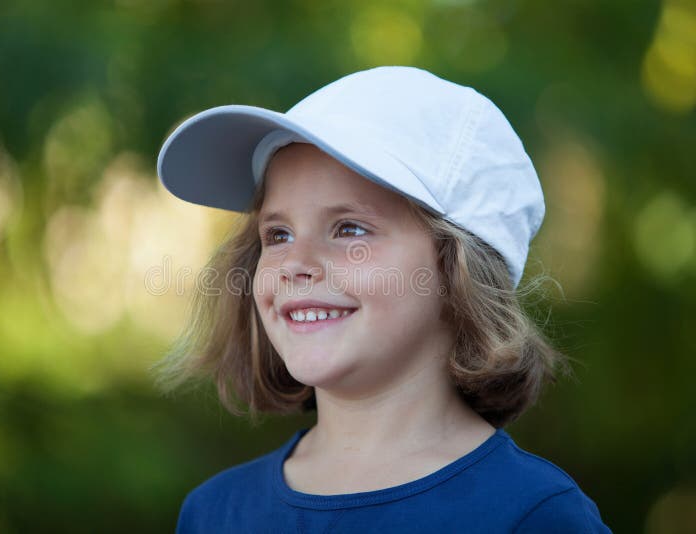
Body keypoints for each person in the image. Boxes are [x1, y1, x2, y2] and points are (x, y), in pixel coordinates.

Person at [154, 66, 612, 533]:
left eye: (349, 229)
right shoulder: (214, 513)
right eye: (278, 233)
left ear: (459, 269)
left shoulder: (534, 515)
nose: (296, 262)